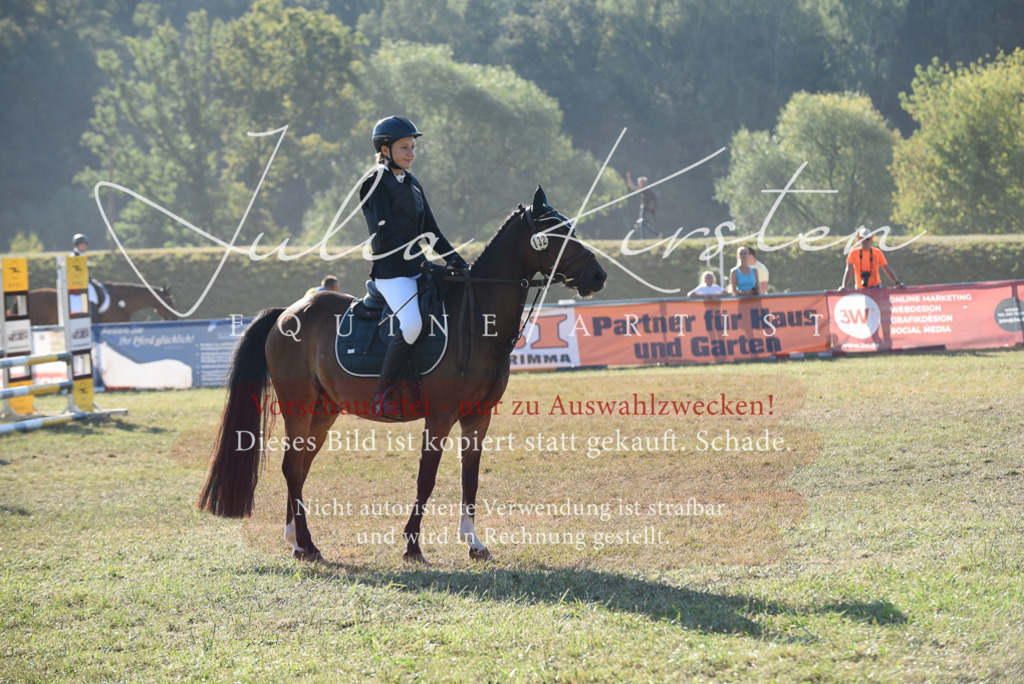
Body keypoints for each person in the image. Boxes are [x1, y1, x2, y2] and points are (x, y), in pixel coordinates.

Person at [359, 115, 469, 420]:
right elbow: (387, 235)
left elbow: (430, 231)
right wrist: (422, 262)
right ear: (384, 149)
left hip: (418, 269)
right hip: (392, 274)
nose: (411, 153)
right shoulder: (374, 183)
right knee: (413, 325)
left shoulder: (413, 183)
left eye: (413, 147)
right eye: (404, 147)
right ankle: (383, 393)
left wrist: (456, 261)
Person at [840, 227, 905, 290]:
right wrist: (844, 286)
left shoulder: (877, 252)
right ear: (859, 239)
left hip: (876, 287)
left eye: (867, 239)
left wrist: (897, 283)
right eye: (862, 239)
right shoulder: (853, 252)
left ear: (871, 239)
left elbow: (886, 268)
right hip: (860, 288)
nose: (865, 241)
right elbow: (848, 270)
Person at [626, 171, 659, 239]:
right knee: (644, 224)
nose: (639, 184)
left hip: (645, 209)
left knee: (642, 224)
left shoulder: (645, 189)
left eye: (640, 182)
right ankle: (656, 234)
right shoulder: (648, 190)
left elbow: (633, 187)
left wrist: (629, 179)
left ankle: (646, 237)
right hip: (647, 209)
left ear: (643, 183)